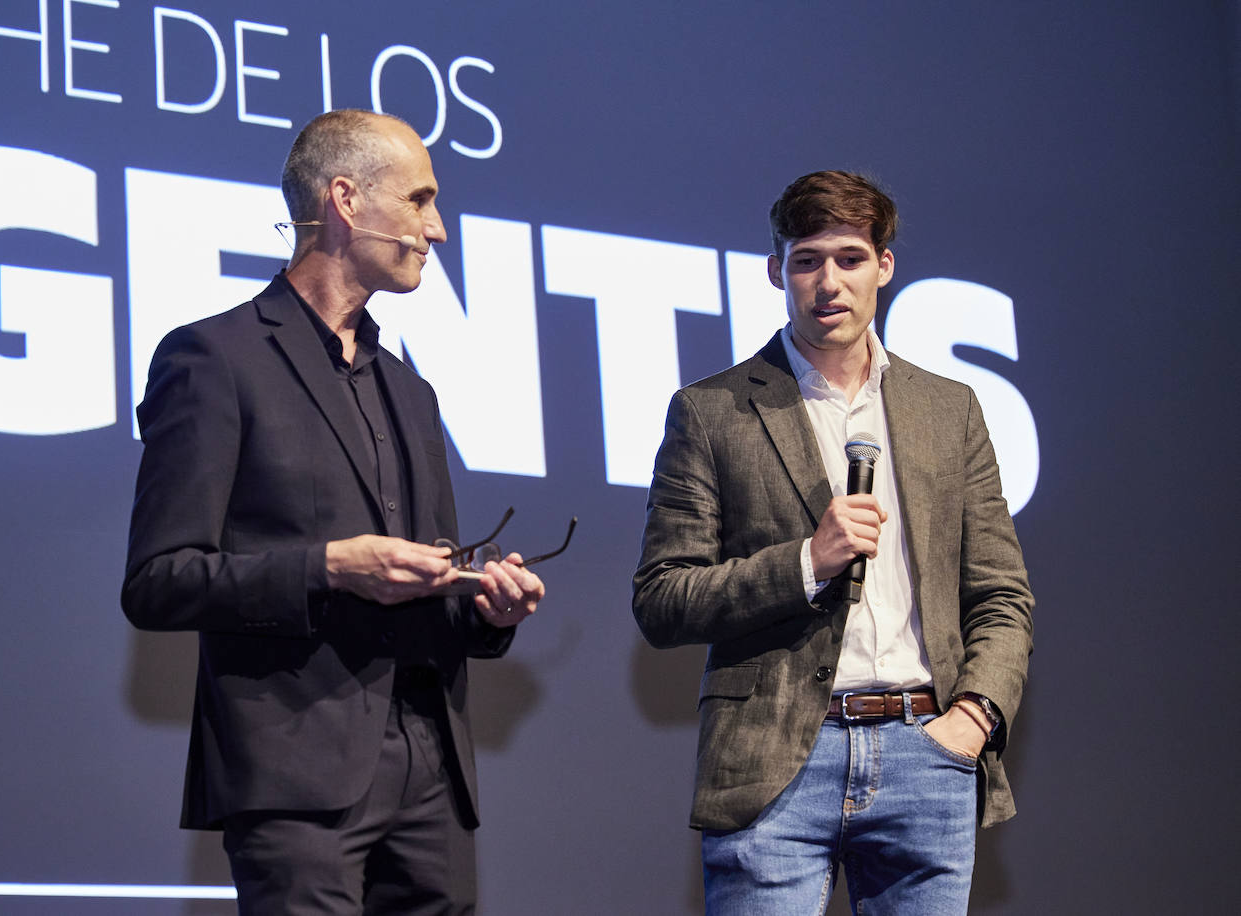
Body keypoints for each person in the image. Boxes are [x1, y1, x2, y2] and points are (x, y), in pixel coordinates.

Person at [121, 109, 544, 915]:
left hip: (430, 768)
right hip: (295, 769)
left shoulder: (412, 394)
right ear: (346, 200)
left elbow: (429, 592)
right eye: (421, 201)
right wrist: (328, 567)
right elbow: (158, 581)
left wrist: (487, 608)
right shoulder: (213, 358)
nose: (439, 230)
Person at [632, 170, 1033, 914]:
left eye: (850, 258)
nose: (828, 282)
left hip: (928, 750)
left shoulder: (950, 410)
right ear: (775, 270)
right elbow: (662, 599)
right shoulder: (712, 411)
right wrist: (804, 564)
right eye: (806, 259)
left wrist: (973, 718)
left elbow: (1002, 595)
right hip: (777, 758)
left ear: (884, 266)